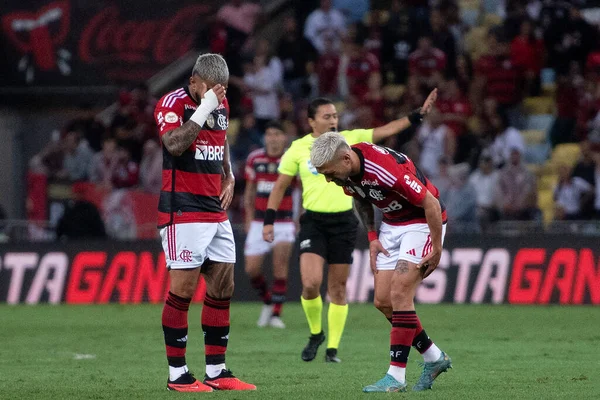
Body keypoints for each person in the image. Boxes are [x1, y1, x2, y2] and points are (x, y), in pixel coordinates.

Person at [263, 89, 437, 363]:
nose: (333, 120)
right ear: (311, 121)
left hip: (344, 222)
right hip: (313, 221)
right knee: (310, 284)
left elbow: (387, 130)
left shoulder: (350, 142)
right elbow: (281, 186)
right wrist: (269, 219)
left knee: (339, 289)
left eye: (335, 115)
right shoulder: (297, 149)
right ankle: (315, 332)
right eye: (326, 116)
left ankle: (332, 349)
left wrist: (417, 116)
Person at [309, 132, 451, 392]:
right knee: (383, 301)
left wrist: (438, 246)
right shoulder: (346, 171)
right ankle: (433, 358)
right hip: (393, 224)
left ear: (345, 158)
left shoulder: (384, 169)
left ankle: (395, 377)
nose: (329, 180)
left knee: (399, 292)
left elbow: (430, 203)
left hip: (421, 221)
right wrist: (373, 236)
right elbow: (360, 198)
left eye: (329, 173)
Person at [153, 53, 255, 392]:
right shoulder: (172, 103)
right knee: (182, 292)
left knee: (223, 289)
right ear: (194, 80)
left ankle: (217, 371)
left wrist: (230, 175)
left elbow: (222, 141)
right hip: (182, 210)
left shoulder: (220, 104)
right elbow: (174, 144)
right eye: (208, 91)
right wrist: (205, 106)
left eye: (220, 92)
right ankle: (177, 375)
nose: (215, 97)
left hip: (216, 209)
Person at [244, 121, 295, 328]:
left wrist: (298, 217)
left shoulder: (292, 159)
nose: (272, 138)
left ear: (284, 137)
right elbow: (250, 191)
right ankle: (267, 301)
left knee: (280, 267)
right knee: (251, 269)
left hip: (283, 221)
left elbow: (299, 190)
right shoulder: (255, 158)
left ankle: (275, 314)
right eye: (269, 134)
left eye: (277, 134)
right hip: (258, 221)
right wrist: (248, 217)